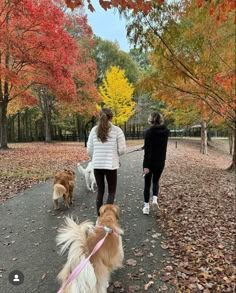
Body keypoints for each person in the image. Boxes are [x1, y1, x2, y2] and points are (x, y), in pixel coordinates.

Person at [87, 108, 126, 216]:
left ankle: (99, 218)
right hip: (111, 165)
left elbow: (89, 150)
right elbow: (122, 150)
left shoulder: (93, 130)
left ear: (100, 117)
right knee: (111, 192)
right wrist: (116, 154)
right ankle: (107, 217)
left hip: (97, 165)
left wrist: (95, 157)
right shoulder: (117, 130)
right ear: (111, 117)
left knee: (100, 191)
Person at [142, 112, 169, 215]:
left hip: (150, 162)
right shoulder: (166, 131)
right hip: (161, 161)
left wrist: (146, 166)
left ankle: (146, 207)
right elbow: (160, 146)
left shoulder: (148, 132)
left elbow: (148, 151)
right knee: (156, 181)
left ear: (151, 120)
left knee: (147, 184)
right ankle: (154, 200)